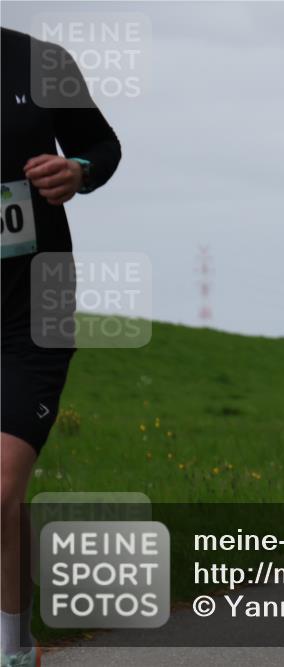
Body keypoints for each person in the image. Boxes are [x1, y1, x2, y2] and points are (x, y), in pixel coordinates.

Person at [2, 28, 122, 667]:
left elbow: (103, 145)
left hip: (34, 309)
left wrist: (78, 169)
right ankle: (17, 641)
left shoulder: (42, 62)